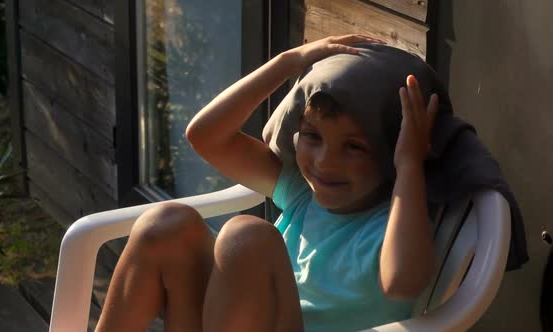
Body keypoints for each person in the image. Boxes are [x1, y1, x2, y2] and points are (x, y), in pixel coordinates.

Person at [95, 35, 437, 332]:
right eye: (312, 136)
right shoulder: (305, 195)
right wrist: (289, 61)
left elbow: (403, 281)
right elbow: (205, 137)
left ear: (390, 151)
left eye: (354, 147)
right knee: (165, 225)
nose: (324, 162)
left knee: (247, 237)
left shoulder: (392, 224)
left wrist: (409, 164)